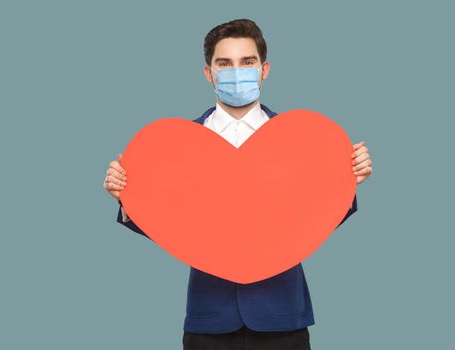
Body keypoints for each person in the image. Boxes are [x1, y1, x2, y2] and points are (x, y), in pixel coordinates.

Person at [103, 18, 372, 350]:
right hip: (209, 318)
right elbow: (169, 220)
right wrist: (128, 197)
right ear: (208, 73)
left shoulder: (302, 144)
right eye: (224, 63)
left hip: (282, 316)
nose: (236, 71)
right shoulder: (178, 147)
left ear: (264, 69)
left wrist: (347, 180)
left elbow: (313, 215)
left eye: (247, 62)